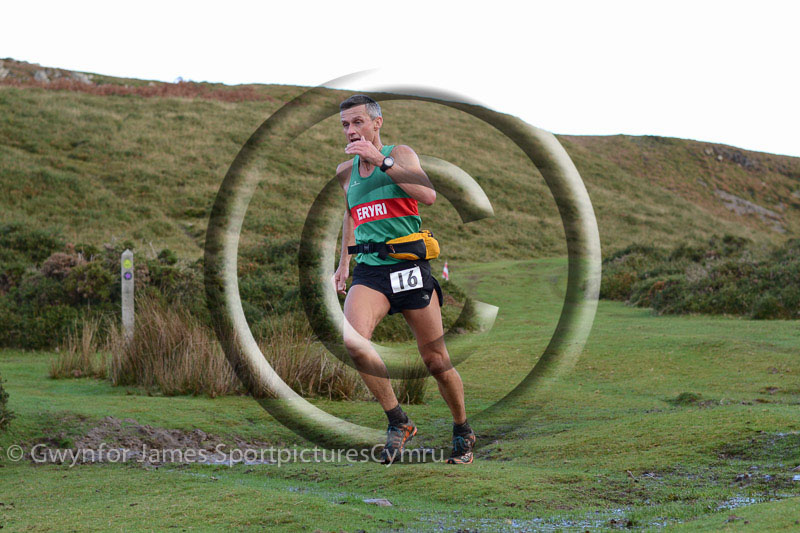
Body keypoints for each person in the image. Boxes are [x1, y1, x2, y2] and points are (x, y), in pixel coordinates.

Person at [332, 95, 476, 465]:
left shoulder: (401, 154)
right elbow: (350, 214)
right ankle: (399, 421)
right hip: (370, 270)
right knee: (353, 341)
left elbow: (427, 195)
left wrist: (381, 160)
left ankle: (462, 430)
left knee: (435, 360)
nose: (351, 130)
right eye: (345, 125)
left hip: (408, 266)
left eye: (358, 122)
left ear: (377, 123)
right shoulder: (345, 172)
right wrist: (343, 264)